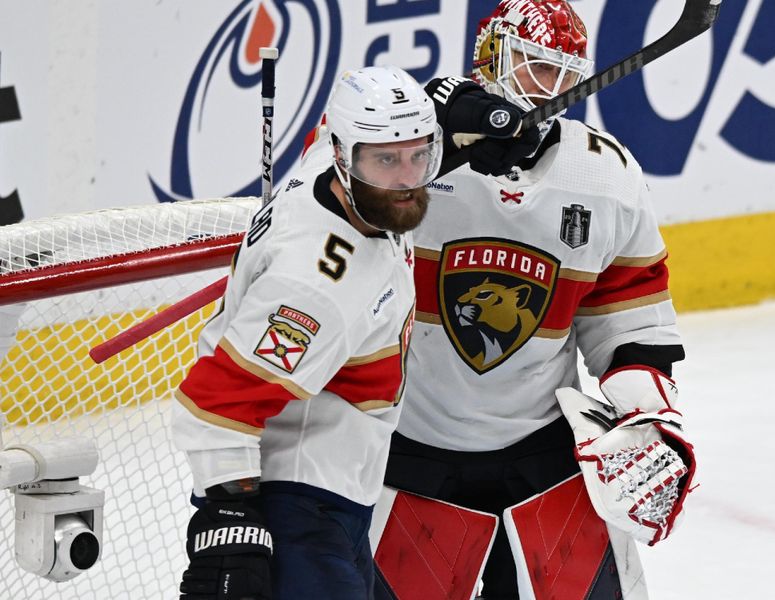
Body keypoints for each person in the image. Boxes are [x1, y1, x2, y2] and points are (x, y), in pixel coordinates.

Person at [381, 1, 696, 599]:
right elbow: (332, 179)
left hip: (546, 462)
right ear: (491, 57)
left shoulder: (605, 176)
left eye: (562, 73)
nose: (548, 88)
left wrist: (646, 418)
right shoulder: (412, 149)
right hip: (405, 454)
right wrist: (437, 124)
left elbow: (630, 314)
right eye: (532, 66)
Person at [171, 65, 445, 600]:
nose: (408, 179)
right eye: (386, 160)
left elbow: (353, 129)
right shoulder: (316, 290)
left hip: (341, 495)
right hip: (299, 503)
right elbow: (215, 406)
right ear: (346, 156)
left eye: (421, 155)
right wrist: (231, 520)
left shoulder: (332, 163)